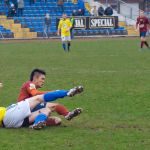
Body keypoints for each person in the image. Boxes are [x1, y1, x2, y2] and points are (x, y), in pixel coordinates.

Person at [0, 84, 84, 129]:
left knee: (46, 110)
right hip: (8, 115)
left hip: (13, 123)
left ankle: (36, 124)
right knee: (37, 99)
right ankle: (67, 92)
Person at [18, 69, 83, 125]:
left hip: (30, 110)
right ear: (35, 78)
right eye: (42, 79)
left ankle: (68, 114)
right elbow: (35, 94)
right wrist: (50, 93)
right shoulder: (29, 84)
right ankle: (68, 92)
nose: (43, 81)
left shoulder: (32, 87)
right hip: (23, 108)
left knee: (57, 120)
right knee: (51, 105)